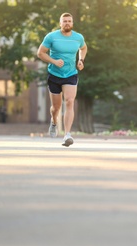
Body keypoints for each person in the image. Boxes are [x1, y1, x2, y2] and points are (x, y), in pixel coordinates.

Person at [37, 12, 87, 147]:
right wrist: (53, 61)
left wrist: (81, 60)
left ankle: (67, 135)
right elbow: (40, 53)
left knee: (69, 101)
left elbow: (83, 48)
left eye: (69, 21)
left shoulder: (78, 37)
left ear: (72, 23)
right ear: (60, 23)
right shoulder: (51, 37)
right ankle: (54, 122)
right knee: (56, 107)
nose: (67, 23)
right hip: (54, 75)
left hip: (71, 74)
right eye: (64, 21)